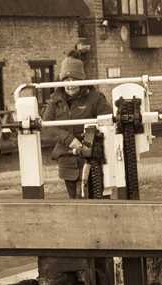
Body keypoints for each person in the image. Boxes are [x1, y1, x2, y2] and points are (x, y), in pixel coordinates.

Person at [42, 56, 112, 198]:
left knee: (98, 198)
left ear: (82, 80)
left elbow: (108, 122)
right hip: (67, 158)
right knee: (74, 201)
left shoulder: (96, 98)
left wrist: (88, 142)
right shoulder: (55, 100)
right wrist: (68, 139)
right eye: (66, 80)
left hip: (93, 157)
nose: (70, 84)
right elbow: (46, 126)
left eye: (74, 79)